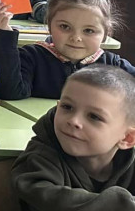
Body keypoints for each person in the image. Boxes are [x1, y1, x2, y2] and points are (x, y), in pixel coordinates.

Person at [11, 65, 135, 210]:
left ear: (127, 138)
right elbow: (45, 199)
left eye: (94, 117)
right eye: (67, 107)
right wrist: (121, 204)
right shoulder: (40, 155)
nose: (74, 121)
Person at [0, 0, 135, 100]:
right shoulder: (31, 57)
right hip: (38, 132)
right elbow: (7, 92)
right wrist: (4, 35)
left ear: (106, 34)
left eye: (89, 31)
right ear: (49, 25)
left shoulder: (114, 66)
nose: (76, 37)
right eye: (65, 27)